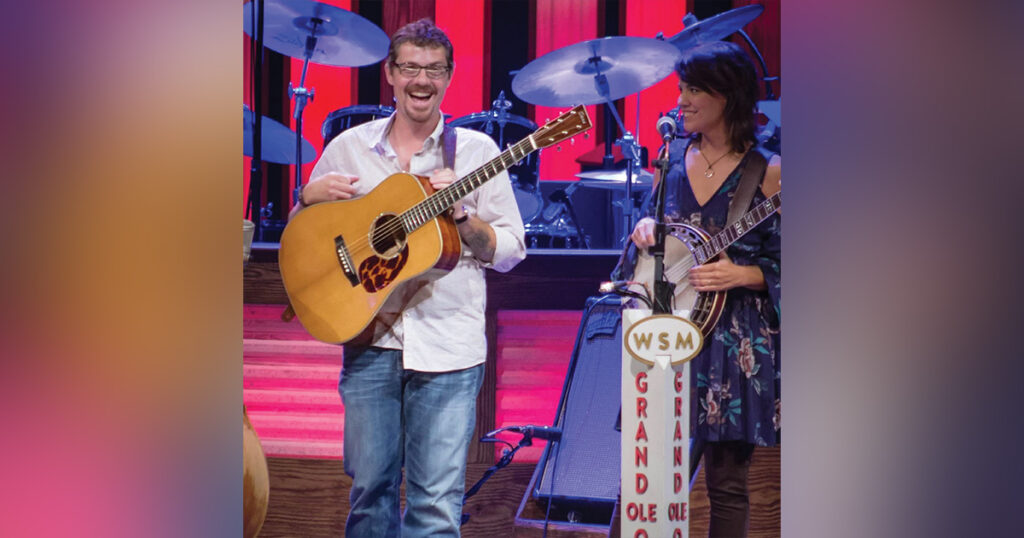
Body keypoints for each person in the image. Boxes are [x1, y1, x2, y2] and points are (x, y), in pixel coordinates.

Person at [289, 19, 526, 537]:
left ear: (449, 76)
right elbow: (302, 237)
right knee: (369, 495)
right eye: (411, 68)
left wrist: (463, 218)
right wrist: (305, 200)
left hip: (449, 348)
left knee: (435, 506)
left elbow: (509, 251)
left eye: (434, 70)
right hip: (369, 339)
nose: (422, 80)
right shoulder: (349, 148)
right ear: (391, 74)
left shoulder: (479, 154)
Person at [628, 41, 781, 537]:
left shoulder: (770, 171)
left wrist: (743, 274)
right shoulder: (670, 159)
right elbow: (654, 242)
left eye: (694, 89)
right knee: (647, 479)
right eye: (681, 87)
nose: (682, 99)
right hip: (667, 331)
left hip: (735, 343)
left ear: (728, 96)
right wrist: (644, 231)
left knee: (727, 486)